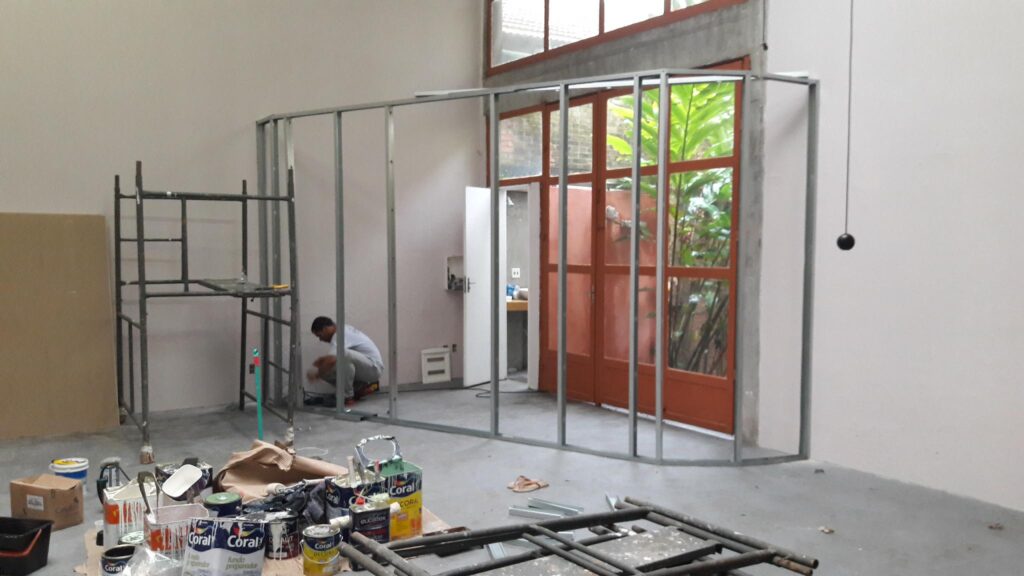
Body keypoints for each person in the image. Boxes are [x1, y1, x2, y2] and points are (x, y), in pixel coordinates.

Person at [307, 316, 383, 406]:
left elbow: (332, 359)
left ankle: (347, 397)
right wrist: (322, 365)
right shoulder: (342, 329)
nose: (320, 339)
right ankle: (358, 388)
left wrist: (316, 375)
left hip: (374, 367)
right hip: (366, 367)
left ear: (325, 329)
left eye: (320, 335)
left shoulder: (340, 334)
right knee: (328, 367)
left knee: (341, 355)